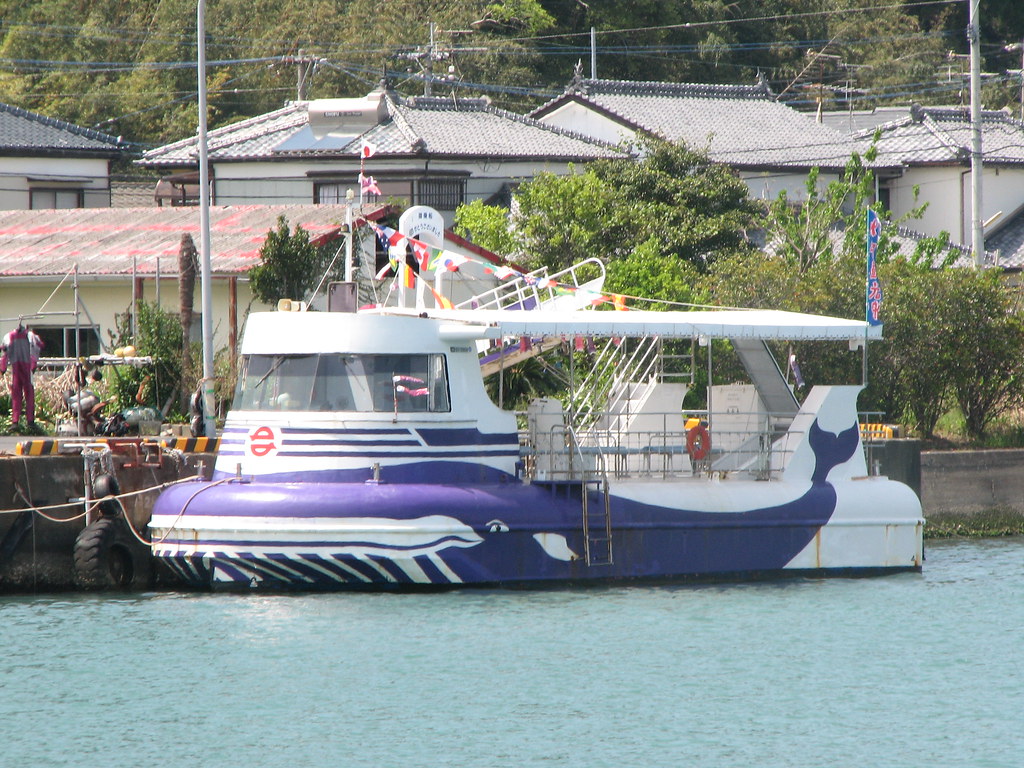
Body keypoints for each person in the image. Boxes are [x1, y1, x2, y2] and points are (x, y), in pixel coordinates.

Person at [0, 322, 43, 426]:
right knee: (25, 395)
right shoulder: (30, 336)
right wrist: (33, 366)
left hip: (19, 368)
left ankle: (18, 421)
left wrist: (3, 369)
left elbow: (4, 354)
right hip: (25, 368)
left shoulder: (9, 337)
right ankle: (27, 421)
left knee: (18, 395)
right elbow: (38, 347)